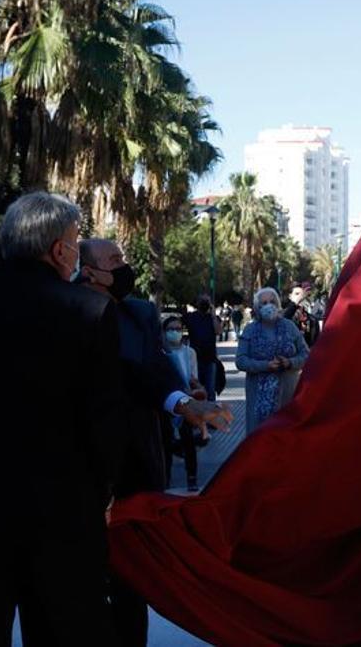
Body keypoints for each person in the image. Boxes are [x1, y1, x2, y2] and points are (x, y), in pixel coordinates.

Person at [0, 193, 230, 645]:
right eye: (74, 242)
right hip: (64, 510)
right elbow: (103, 415)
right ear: (59, 250)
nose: (74, 251)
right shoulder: (89, 312)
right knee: (63, 625)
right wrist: (102, 491)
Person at [79, 238, 231, 646]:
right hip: (85, 468)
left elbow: (153, 369)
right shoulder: (64, 310)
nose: (124, 267)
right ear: (87, 270)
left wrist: (186, 396)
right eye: (114, 261)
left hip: (139, 458)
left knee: (134, 575)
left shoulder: (139, 313)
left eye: (123, 259)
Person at [236, 287, 310, 435]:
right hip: (258, 399)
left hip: (286, 396)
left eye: (272, 302)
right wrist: (265, 365)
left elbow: (306, 355)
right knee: (259, 440)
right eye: (264, 303)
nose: (269, 305)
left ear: (277, 304)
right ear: (257, 307)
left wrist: (290, 362)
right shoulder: (250, 330)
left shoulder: (289, 327)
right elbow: (241, 360)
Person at [162, 315, 202, 490]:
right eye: (171, 329)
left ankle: (191, 477)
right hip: (166, 402)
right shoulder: (160, 353)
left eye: (178, 329)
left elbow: (193, 376)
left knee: (188, 441)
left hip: (186, 400)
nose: (175, 332)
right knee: (166, 441)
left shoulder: (189, 352)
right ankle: (165, 478)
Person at [184, 294, 221, 400]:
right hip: (194, 360)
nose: (204, 303)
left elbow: (218, 331)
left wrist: (214, 315)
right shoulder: (191, 317)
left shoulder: (213, 318)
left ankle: (211, 413)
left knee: (210, 390)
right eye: (202, 300)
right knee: (196, 390)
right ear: (197, 303)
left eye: (207, 301)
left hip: (210, 359)